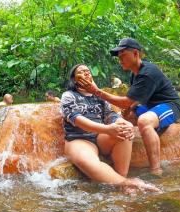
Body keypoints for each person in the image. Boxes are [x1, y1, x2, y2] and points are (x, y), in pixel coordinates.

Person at [77, 38, 180, 176]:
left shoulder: (148, 73)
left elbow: (125, 101)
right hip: (150, 106)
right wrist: (127, 112)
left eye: (123, 56)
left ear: (136, 54)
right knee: (123, 117)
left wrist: (96, 91)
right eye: (119, 57)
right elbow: (133, 100)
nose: (120, 60)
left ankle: (156, 170)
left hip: (169, 105)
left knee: (144, 121)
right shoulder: (135, 73)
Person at [61, 64, 160, 192]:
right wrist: (107, 129)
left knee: (124, 130)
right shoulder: (68, 95)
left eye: (88, 71)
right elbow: (77, 120)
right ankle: (125, 183)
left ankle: (121, 178)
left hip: (100, 137)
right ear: (74, 79)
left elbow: (111, 115)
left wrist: (123, 123)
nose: (86, 73)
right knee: (88, 162)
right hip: (79, 139)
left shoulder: (99, 96)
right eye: (81, 72)